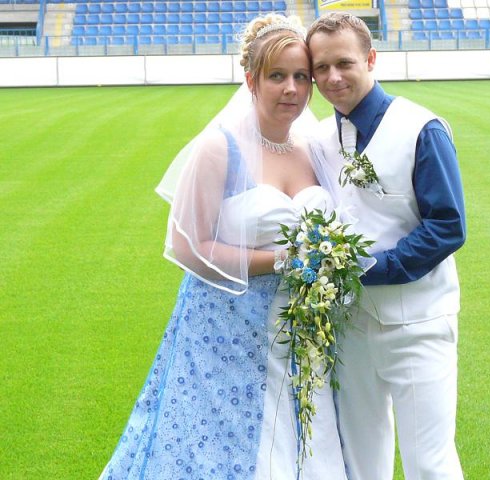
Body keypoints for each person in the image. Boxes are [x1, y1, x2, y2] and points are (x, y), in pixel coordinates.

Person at [99, 14, 348, 480]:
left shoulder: (314, 149)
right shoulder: (219, 148)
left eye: (301, 76)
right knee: (213, 448)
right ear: (251, 80)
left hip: (301, 332)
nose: (291, 89)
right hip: (223, 330)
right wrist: (283, 260)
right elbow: (189, 246)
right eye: (277, 76)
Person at [307, 12, 467, 480]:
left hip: (418, 322)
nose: (332, 78)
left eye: (344, 63)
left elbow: (448, 225)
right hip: (348, 326)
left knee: (430, 464)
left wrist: (373, 268)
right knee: (360, 461)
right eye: (321, 68)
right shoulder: (319, 138)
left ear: (371, 59)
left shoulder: (422, 128)